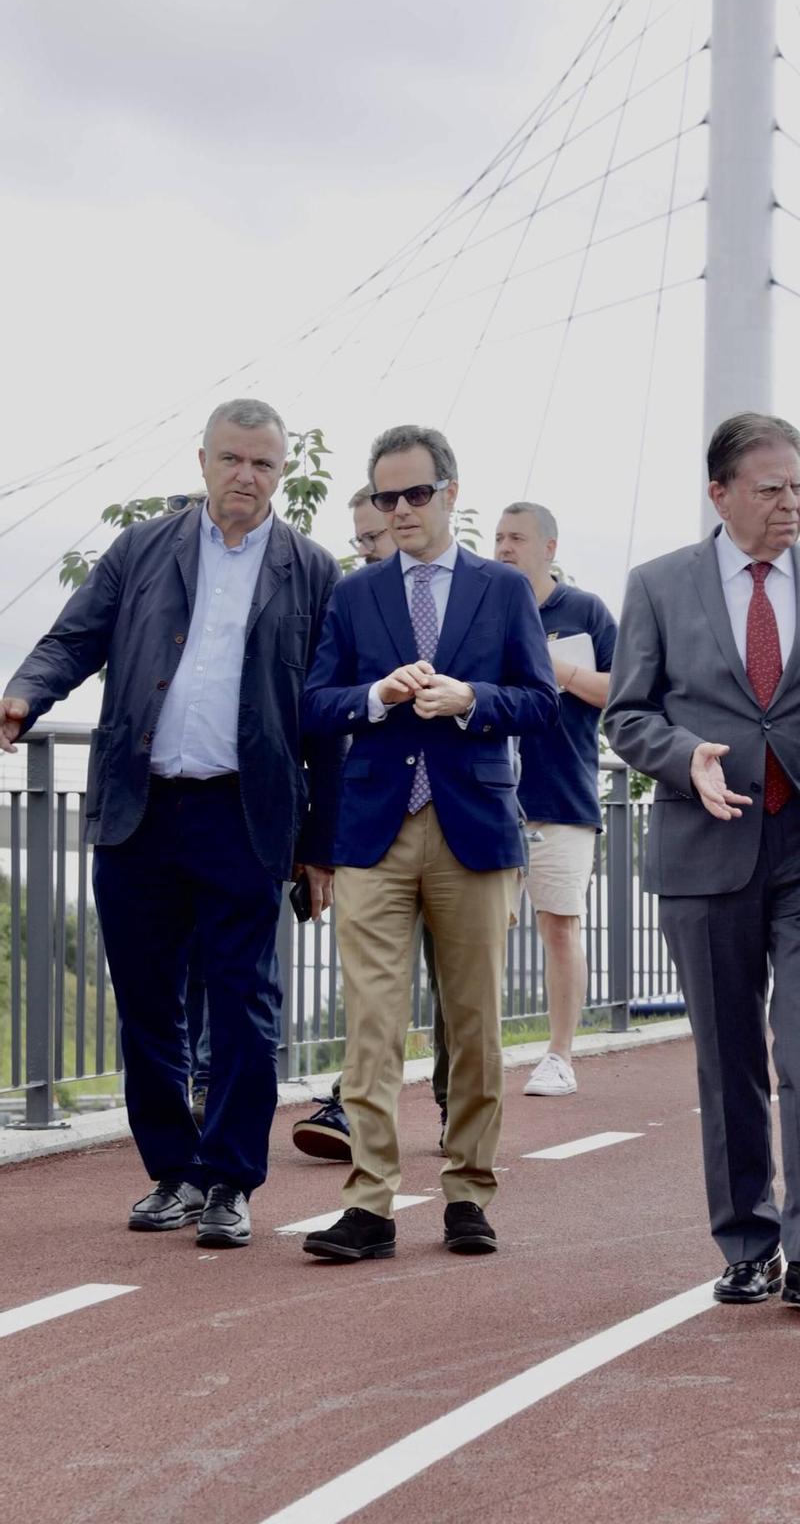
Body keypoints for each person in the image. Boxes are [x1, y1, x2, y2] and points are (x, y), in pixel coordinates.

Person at [0, 399, 341, 1246]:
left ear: (282, 473)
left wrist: (321, 845)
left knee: (244, 1006)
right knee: (147, 1002)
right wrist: (23, 697)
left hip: (246, 814)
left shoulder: (311, 569)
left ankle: (230, 1180)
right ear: (201, 462)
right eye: (231, 459)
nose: (245, 477)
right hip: (139, 808)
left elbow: (327, 723)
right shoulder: (144, 548)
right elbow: (72, 639)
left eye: (263, 464)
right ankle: (173, 1173)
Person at [605, 412, 800, 1310]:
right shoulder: (658, 586)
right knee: (728, 1054)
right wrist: (682, 756)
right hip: (707, 842)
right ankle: (748, 1243)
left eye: (798, 486)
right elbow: (627, 715)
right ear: (720, 494)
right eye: (771, 488)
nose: (791, 504)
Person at [298, 424, 559, 1262]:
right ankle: (370, 1204)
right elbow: (312, 704)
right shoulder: (354, 593)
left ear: (450, 493)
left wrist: (470, 698)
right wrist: (374, 697)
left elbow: (541, 702)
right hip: (372, 832)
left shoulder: (504, 589)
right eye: (385, 497)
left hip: (474, 830)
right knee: (371, 1024)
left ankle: (467, 1191)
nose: (400, 510)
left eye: (415, 494)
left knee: (473, 1020)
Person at [494, 501, 617, 1097]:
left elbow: (624, 690)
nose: (503, 547)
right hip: (489, 797)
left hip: (563, 793)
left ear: (550, 547)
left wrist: (557, 671)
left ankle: (559, 1055)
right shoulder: (487, 603)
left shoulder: (586, 611)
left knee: (559, 924)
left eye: (516, 537)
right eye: (497, 537)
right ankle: (478, 1055)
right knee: (480, 931)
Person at [290, 484, 397, 1164]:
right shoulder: (348, 606)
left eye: (375, 537)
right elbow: (319, 719)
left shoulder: (467, 599)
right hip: (365, 819)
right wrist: (318, 846)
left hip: (456, 826)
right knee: (369, 977)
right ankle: (347, 1100)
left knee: (453, 993)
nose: (366, 550)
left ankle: (451, 1102)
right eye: (359, 539)